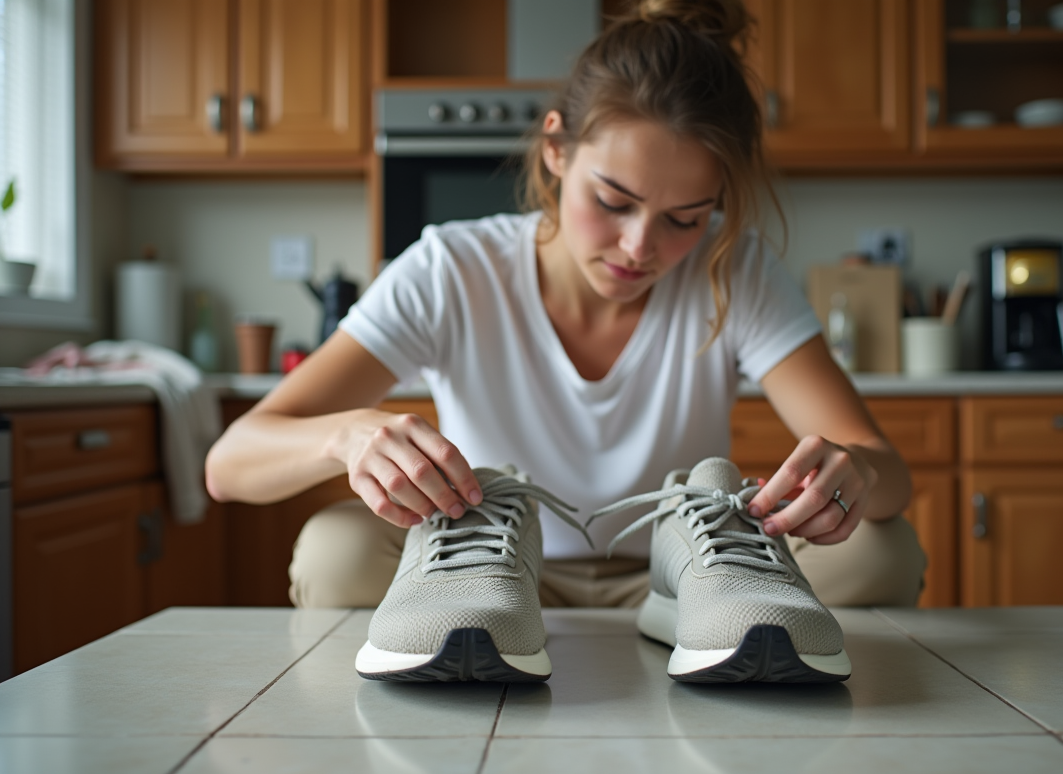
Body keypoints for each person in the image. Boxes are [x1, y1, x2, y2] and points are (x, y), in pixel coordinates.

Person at [205, 0, 925, 680]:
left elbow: (888, 475)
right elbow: (230, 464)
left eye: (686, 217)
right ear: (556, 149)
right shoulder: (450, 269)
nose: (639, 247)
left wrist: (854, 472)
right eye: (613, 202)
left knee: (880, 549)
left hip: (689, 570)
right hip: (481, 567)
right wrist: (348, 436)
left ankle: (703, 626)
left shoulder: (733, 268)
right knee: (336, 548)